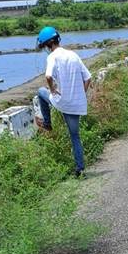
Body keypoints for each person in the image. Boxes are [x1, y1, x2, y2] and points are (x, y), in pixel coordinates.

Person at [35, 26, 91, 177]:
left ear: (47, 45)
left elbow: (48, 77)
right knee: (75, 137)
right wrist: (80, 94)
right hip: (76, 104)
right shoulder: (73, 55)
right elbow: (88, 78)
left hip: (61, 102)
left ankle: (47, 123)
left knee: (41, 92)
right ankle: (80, 169)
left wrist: (52, 89)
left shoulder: (52, 57)